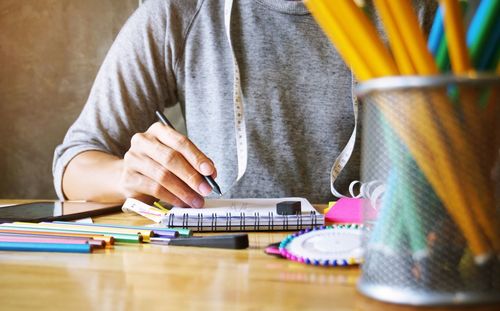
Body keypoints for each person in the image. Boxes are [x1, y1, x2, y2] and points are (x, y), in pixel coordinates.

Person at [53, 0, 434, 207]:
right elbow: (74, 163)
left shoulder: (421, 15)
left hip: (377, 257)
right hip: (224, 266)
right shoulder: (179, 10)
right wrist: (129, 177)